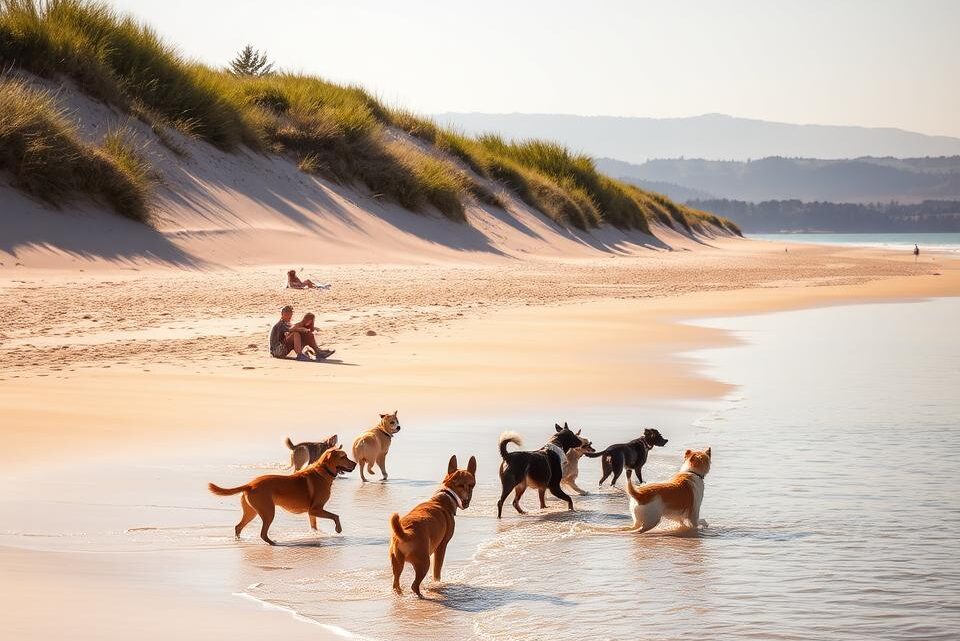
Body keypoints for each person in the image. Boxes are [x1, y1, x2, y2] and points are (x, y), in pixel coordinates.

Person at [269, 306, 335, 361]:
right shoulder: (281, 324)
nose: (289, 317)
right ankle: (300, 355)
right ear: (282, 314)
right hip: (277, 351)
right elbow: (292, 330)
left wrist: (307, 330)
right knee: (296, 333)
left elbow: (292, 330)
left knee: (306, 334)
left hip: (283, 348)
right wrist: (301, 329)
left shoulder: (287, 323)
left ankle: (318, 352)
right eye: (287, 315)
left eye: (290, 315)